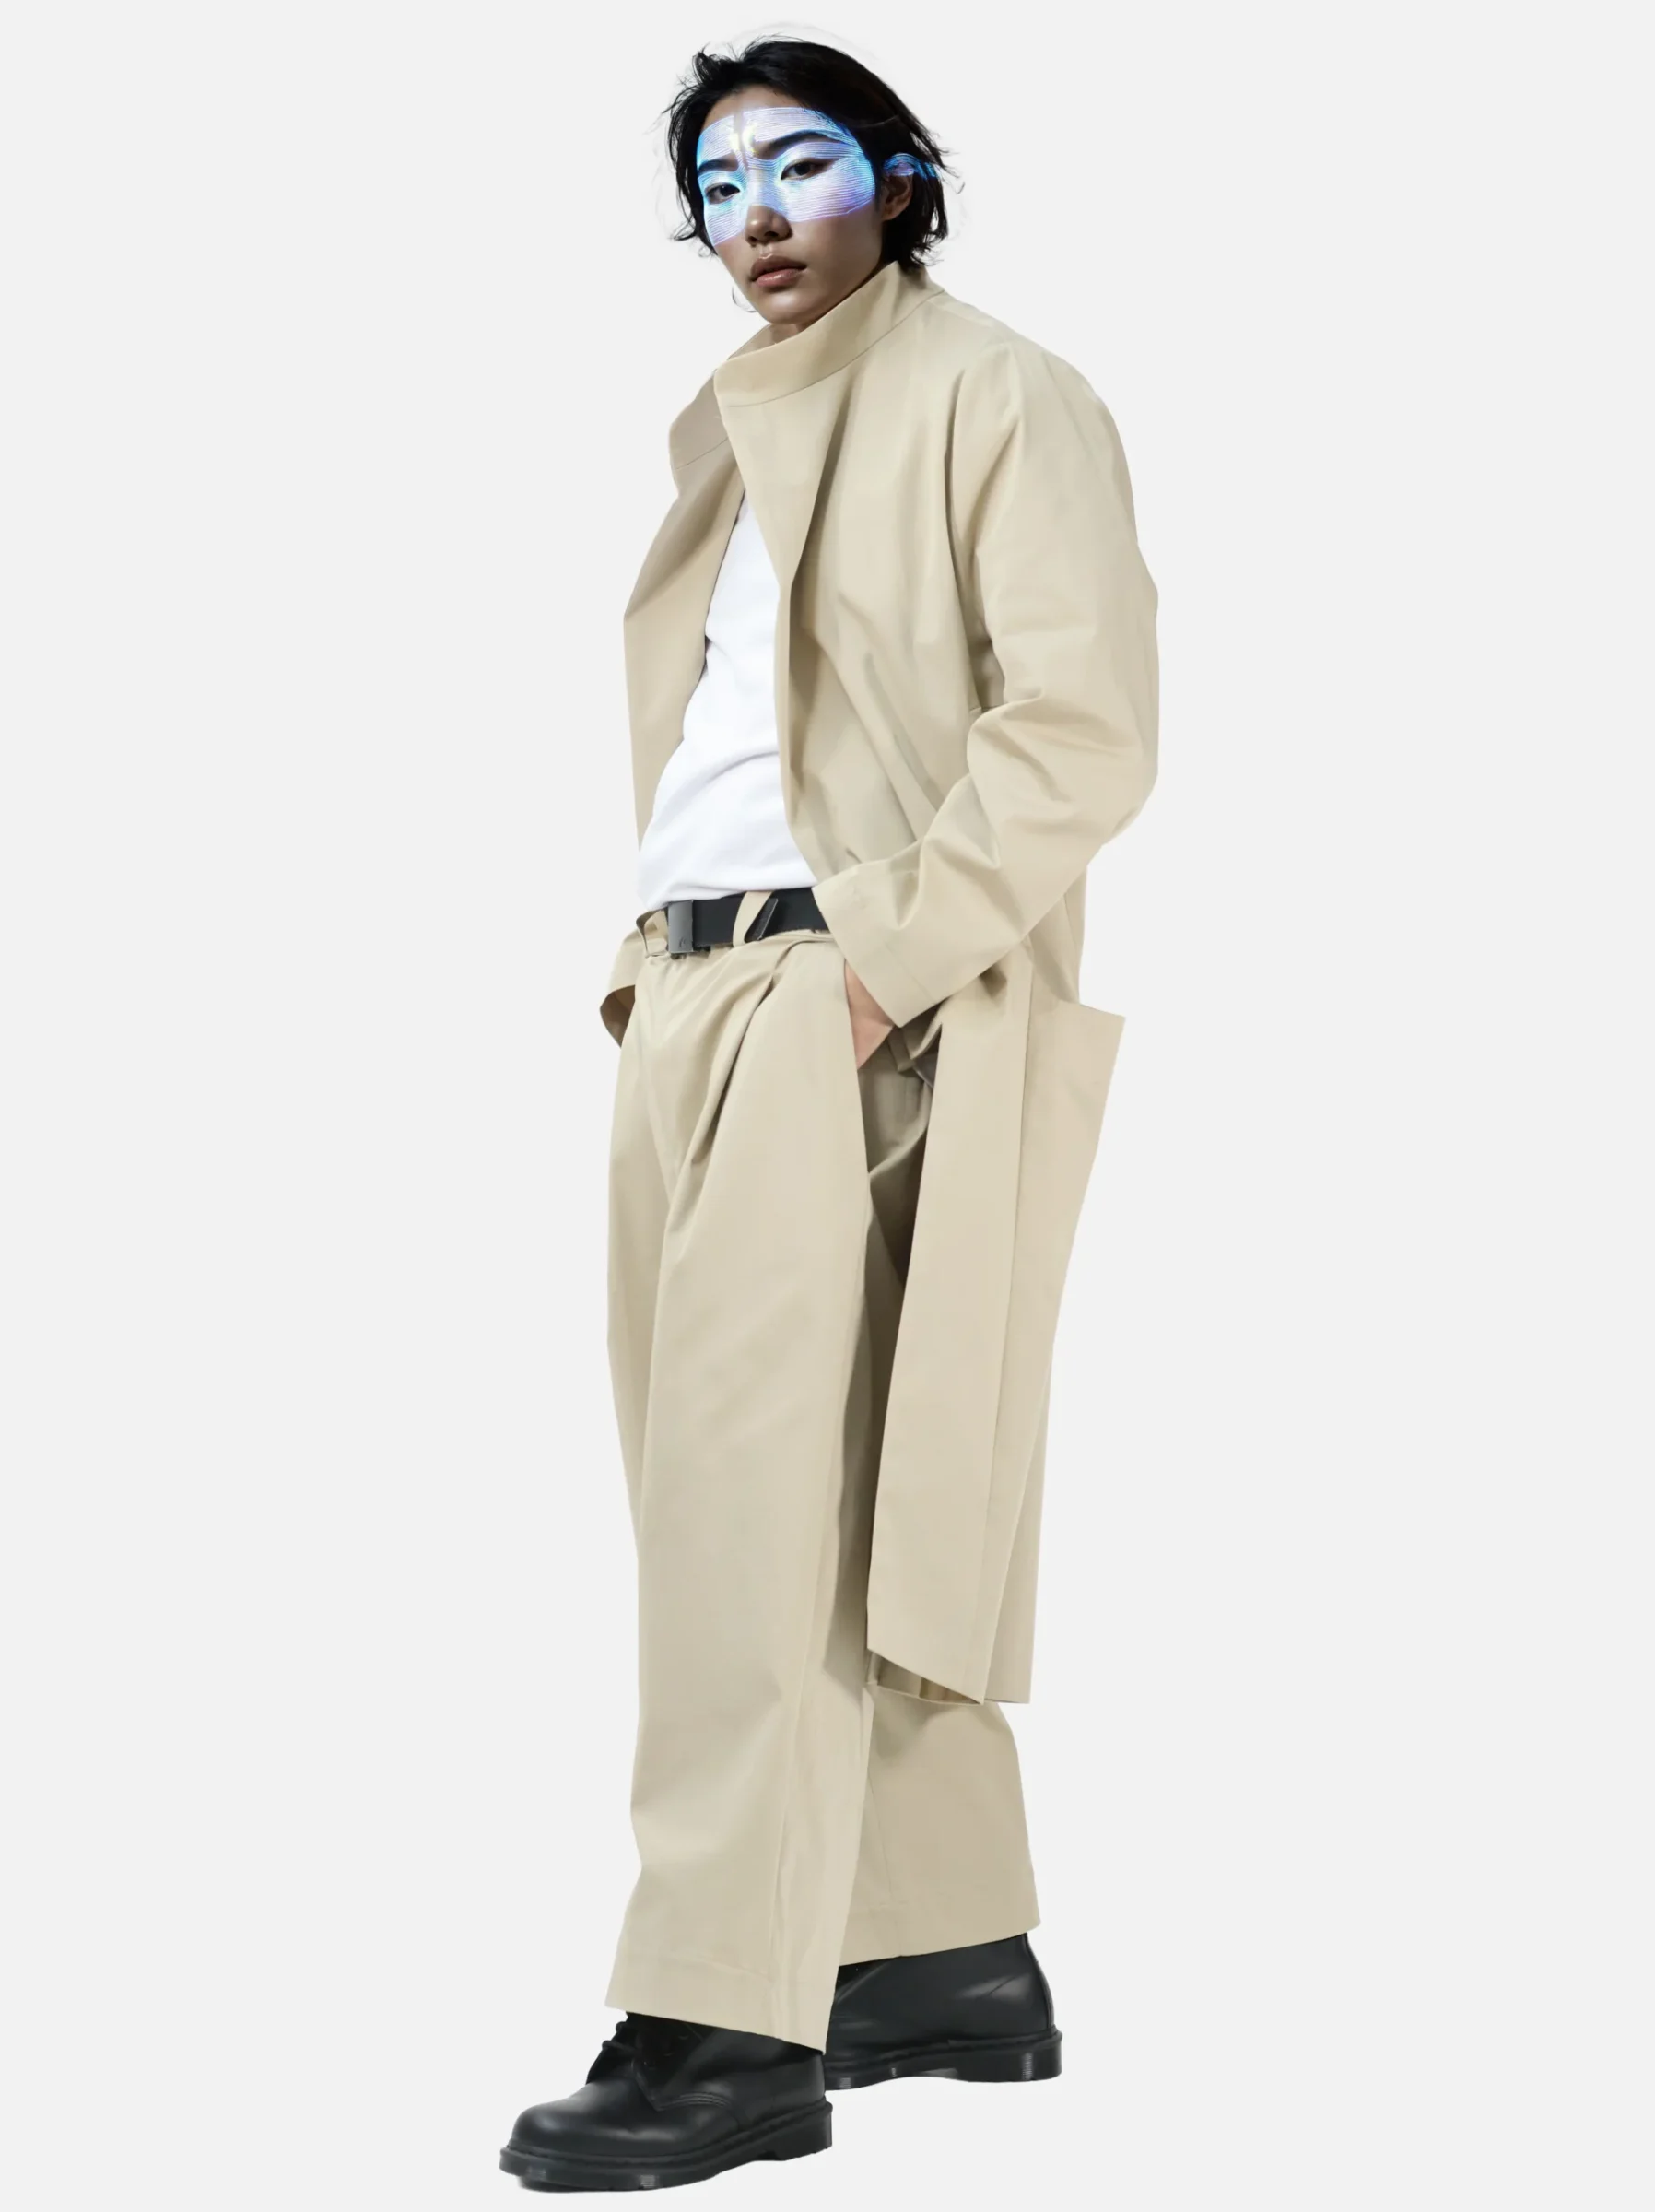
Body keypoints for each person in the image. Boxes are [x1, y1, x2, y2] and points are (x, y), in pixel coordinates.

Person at [499, 34, 1159, 2194]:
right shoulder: (738, 435)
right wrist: (655, 965)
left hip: (843, 992)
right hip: (695, 992)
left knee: (745, 1527)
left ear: (898, 176)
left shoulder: (997, 393)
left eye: (802, 164)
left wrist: (877, 962)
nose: (760, 213)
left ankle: (719, 2022)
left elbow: (1085, 727)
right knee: (825, 1493)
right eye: (720, 185)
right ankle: (935, 1953)